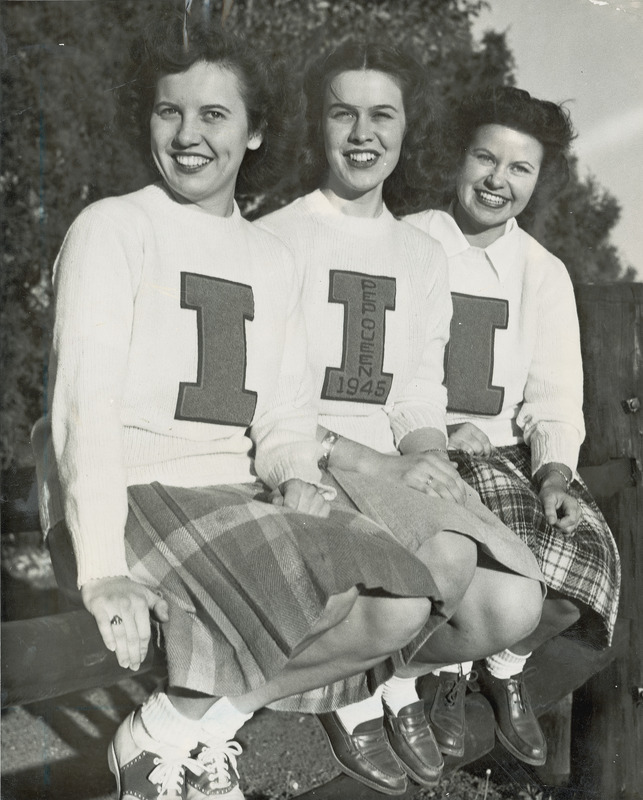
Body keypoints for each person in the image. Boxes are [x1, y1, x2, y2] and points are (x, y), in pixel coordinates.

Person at [30, 16, 456, 800]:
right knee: (321, 587)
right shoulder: (112, 228)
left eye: (214, 115)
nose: (189, 135)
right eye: (170, 112)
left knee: (400, 600)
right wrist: (101, 573)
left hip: (228, 490)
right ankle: (165, 750)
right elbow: (80, 413)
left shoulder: (270, 255)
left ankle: (176, 732)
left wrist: (296, 473)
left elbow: (286, 416)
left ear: (255, 132)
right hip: (125, 493)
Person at [258, 41, 545, 794]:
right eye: (341, 113)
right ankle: (355, 693)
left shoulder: (420, 254)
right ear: (314, 125)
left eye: (380, 115)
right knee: (445, 562)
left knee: (516, 601)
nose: (362, 134)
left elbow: (416, 394)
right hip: (316, 460)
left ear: (405, 127)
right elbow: (268, 404)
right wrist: (380, 466)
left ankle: (388, 675)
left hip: (392, 465)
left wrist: (435, 465)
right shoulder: (276, 237)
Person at [406, 85, 621, 767]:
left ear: (538, 180)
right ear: (457, 160)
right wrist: (440, 428)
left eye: (518, 168)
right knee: (487, 576)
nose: (497, 181)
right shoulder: (406, 242)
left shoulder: (542, 273)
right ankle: (431, 675)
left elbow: (554, 399)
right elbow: (380, 373)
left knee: (586, 566)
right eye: (484, 159)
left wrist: (554, 471)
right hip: (424, 451)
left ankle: (498, 669)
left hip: (506, 456)